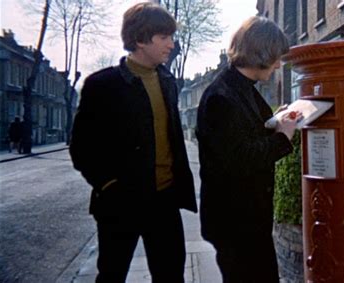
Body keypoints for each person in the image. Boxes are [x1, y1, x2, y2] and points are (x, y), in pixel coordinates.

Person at [69, 3, 197, 283]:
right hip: (120, 203)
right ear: (140, 39)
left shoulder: (168, 82)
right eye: (164, 38)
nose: (171, 45)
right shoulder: (101, 85)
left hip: (164, 201)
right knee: (112, 274)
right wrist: (109, 186)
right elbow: (81, 148)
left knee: (171, 275)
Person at [196, 16, 299, 283]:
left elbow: (245, 133)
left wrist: (276, 121)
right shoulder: (221, 97)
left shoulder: (240, 89)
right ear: (260, 53)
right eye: (275, 57)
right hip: (235, 223)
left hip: (247, 219)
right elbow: (239, 158)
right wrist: (283, 138)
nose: (278, 65)